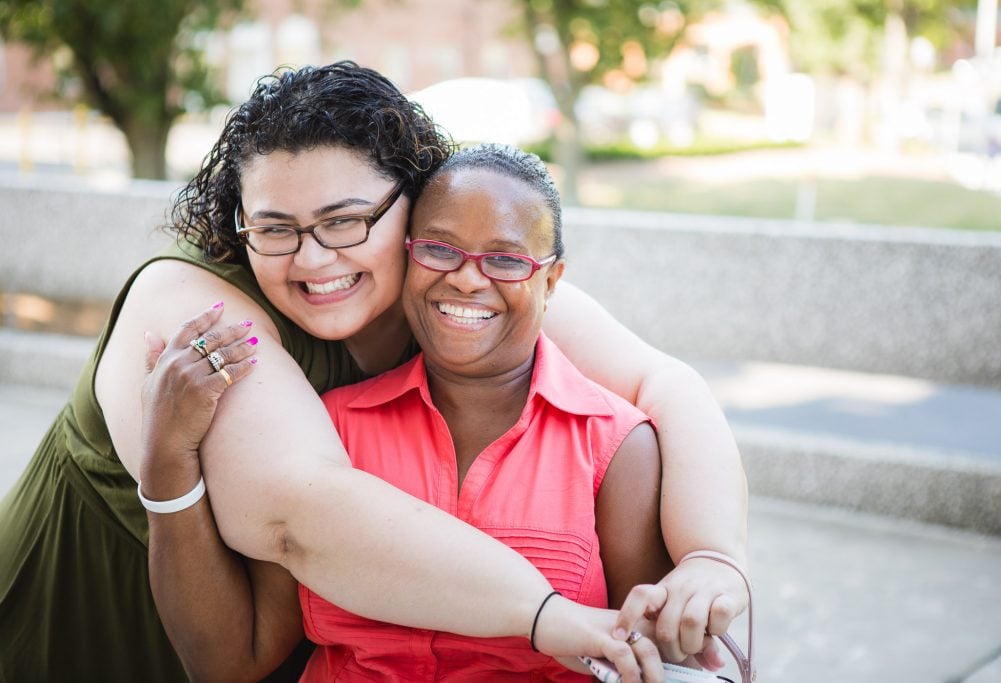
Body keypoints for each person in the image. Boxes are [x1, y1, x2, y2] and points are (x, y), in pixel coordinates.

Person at [0, 61, 747, 682]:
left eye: (345, 220)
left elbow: (663, 387)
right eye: (275, 227)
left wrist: (713, 561)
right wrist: (549, 614)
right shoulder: (193, 308)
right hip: (75, 633)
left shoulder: (460, 278)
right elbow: (300, 516)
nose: (314, 258)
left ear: (413, 205)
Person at [142, 143, 678, 681]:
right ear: (407, 255)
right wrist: (168, 454)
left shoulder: (618, 447)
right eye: (440, 249)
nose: (468, 279)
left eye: (507, 259)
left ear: (551, 281)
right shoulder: (327, 430)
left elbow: (656, 659)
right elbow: (229, 661)